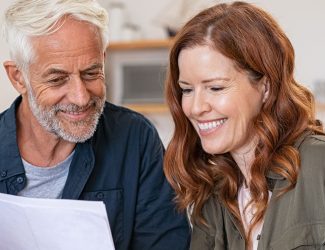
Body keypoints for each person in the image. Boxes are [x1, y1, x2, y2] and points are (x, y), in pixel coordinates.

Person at [0, 0, 189, 249]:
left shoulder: (136, 139)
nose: (81, 97)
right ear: (18, 77)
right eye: (57, 79)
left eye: (91, 73)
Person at [163, 1, 325, 249]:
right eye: (187, 89)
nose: (196, 107)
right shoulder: (213, 195)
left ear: (265, 86)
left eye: (215, 87)